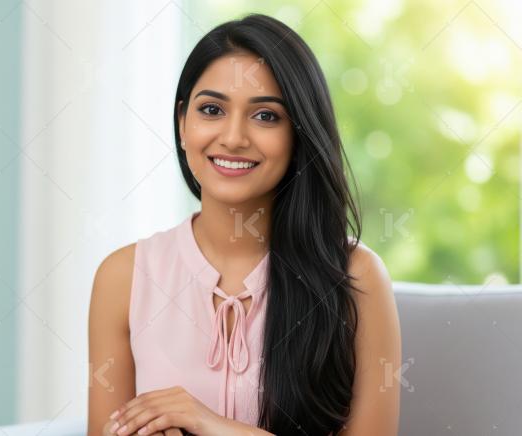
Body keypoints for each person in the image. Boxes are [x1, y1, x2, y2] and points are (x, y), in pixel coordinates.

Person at [88, 13, 401, 436]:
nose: (233, 137)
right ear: (183, 123)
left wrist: (210, 425)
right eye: (212, 110)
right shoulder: (122, 277)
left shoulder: (356, 276)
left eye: (266, 116)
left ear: (299, 133)